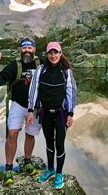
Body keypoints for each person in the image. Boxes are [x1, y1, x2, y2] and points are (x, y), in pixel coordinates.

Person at [0, 37, 43, 186]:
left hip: (36, 106)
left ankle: (27, 161)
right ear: (20, 50)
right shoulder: (15, 65)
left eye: (30, 47)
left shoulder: (41, 63)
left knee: (30, 134)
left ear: (34, 49)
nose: (27, 50)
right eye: (24, 48)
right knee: (12, 133)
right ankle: (8, 168)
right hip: (18, 105)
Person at [27, 41, 77, 190]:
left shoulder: (66, 71)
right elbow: (34, 90)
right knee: (49, 143)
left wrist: (70, 113)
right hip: (45, 112)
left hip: (61, 113)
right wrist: (30, 110)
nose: (53, 55)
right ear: (47, 54)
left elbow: (71, 92)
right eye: (50, 53)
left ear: (60, 54)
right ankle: (50, 170)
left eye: (56, 52)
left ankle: (59, 173)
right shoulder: (40, 70)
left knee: (59, 144)